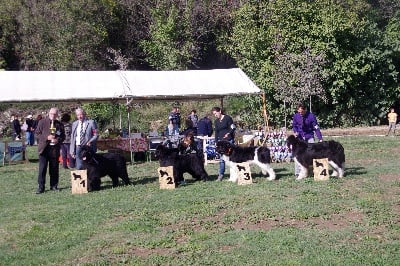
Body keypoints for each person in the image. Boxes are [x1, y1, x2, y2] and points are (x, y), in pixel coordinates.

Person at [35, 107, 65, 194]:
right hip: (44, 149)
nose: (53, 115)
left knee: (54, 169)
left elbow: (63, 136)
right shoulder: (42, 122)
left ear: (57, 115)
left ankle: (54, 186)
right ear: (49, 113)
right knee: (42, 169)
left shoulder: (59, 124)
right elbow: (37, 134)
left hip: (54, 150)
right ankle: (41, 187)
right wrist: (46, 137)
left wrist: (57, 140)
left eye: (55, 114)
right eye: (52, 114)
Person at [292, 103, 323, 178]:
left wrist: (320, 138)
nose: (300, 113)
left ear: (305, 110)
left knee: (312, 154)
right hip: (300, 137)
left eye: (301, 112)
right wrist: (295, 131)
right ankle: (297, 173)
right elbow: (294, 126)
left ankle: (312, 171)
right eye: (299, 112)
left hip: (309, 136)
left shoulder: (311, 116)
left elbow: (316, 128)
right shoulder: (296, 116)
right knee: (297, 155)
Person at [212, 106, 236, 181]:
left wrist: (228, 133)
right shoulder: (216, 122)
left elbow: (233, 128)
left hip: (229, 141)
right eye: (214, 114)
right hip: (221, 143)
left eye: (216, 113)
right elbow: (216, 133)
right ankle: (221, 175)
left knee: (231, 158)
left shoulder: (228, 118)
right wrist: (216, 142)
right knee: (222, 159)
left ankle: (233, 174)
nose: (215, 115)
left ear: (220, 111)